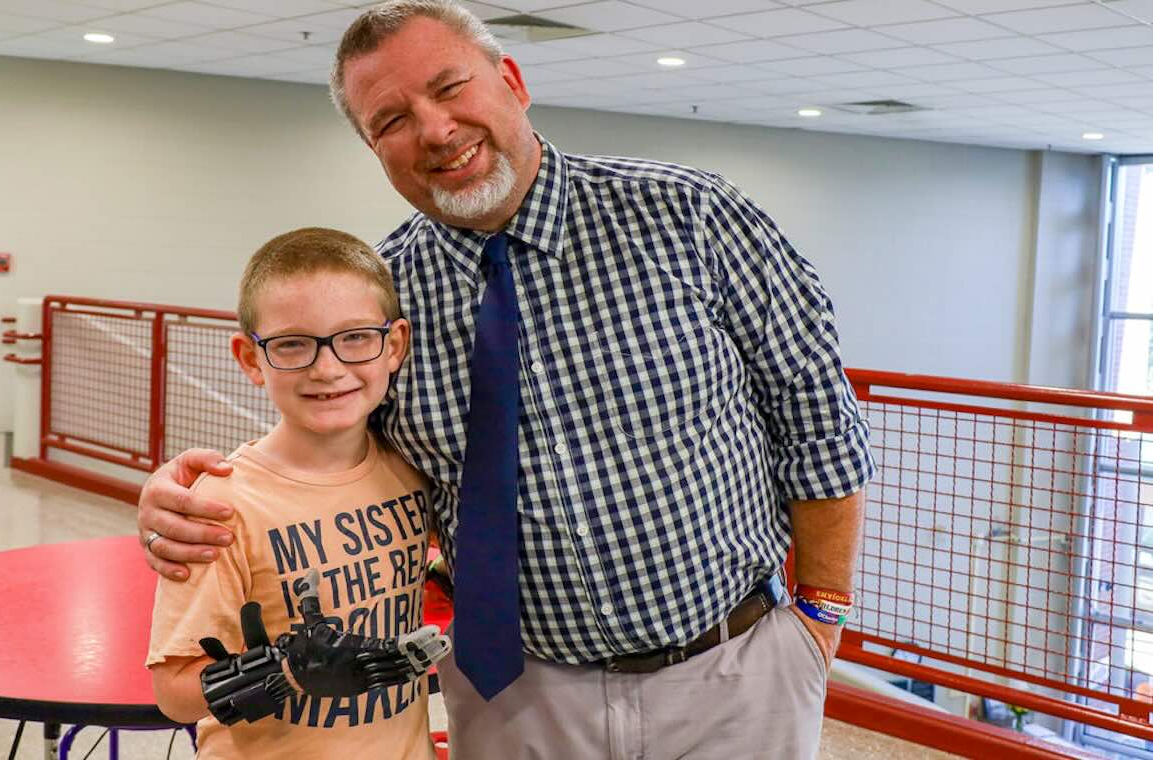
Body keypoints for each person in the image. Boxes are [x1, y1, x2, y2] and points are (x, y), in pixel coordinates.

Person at [139, 2, 874, 757]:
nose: (433, 129)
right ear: (373, 147)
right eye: (390, 120)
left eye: (450, 87)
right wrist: (184, 495)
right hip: (516, 695)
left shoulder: (690, 217)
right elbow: (329, 441)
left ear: (512, 81)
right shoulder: (386, 299)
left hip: (732, 673)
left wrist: (819, 616)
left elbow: (816, 419)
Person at [147, 227, 446, 760]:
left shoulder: (412, 468)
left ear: (394, 345)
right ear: (250, 359)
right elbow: (173, 694)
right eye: (292, 344)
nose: (327, 368)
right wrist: (286, 670)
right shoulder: (220, 505)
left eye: (355, 337)